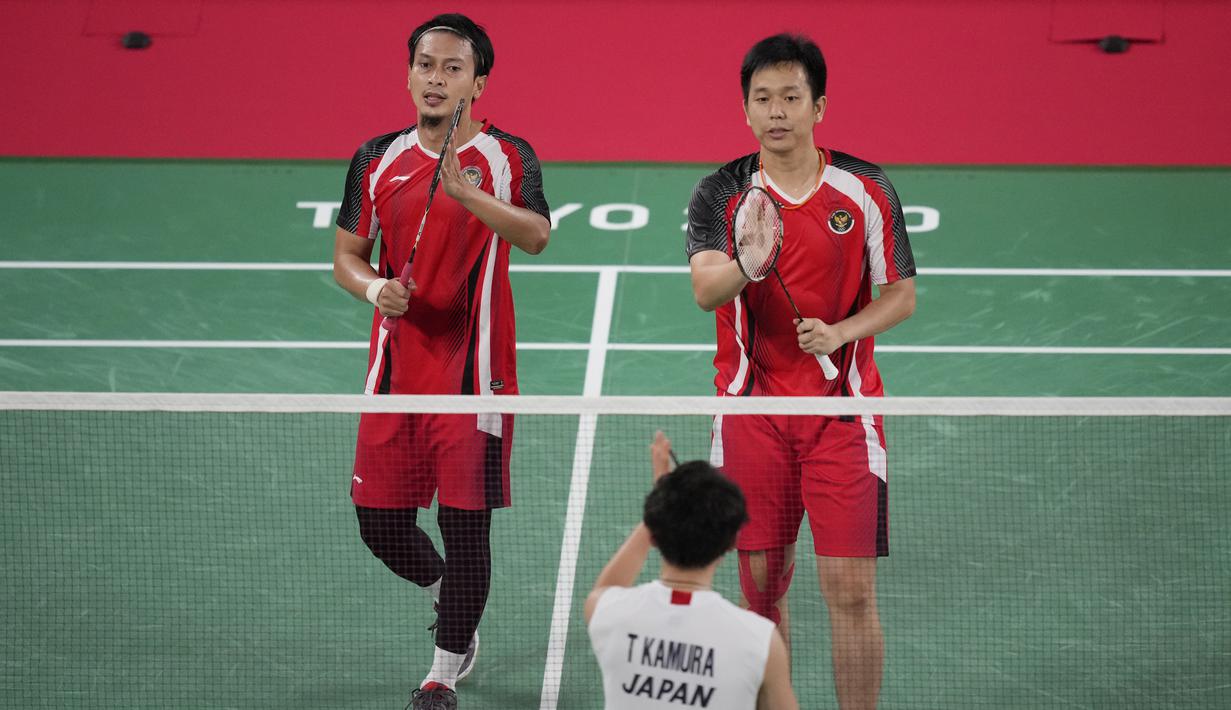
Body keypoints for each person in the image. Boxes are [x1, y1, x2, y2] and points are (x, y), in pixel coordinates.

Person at [685, 34, 917, 709]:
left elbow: (900, 294)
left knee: (850, 591)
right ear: (746, 111)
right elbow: (706, 291)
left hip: (840, 414)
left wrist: (842, 331)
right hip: (750, 414)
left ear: (818, 106)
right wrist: (748, 266)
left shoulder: (865, 189)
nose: (776, 111)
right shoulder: (721, 194)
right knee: (759, 591)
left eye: (791, 97)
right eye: (763, 99)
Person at [331, 12, 551, 709]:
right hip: (394, 375)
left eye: (452, 68)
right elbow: (345, 257)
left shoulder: (508, 156)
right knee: (380, 525)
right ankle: (445, 591)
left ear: (477, 84)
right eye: (425, 64)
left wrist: (469, 194)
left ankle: (445, 666)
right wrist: (374, 288)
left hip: (474, 377)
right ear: (409, 73)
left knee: (465, 525)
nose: (435, 77)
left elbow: (538, 235)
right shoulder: (375, 158)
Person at [586, 432, 798, 710]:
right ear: (732, 542)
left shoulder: (609, 613)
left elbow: (606, 588)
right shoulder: (759, 640)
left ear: (654, 534)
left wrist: (662, 497)